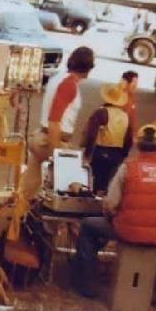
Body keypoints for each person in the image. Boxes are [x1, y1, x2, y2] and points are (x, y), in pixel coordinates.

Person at [71, 125, 156, 299]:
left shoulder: (128, 168)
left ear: (137, 144)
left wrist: (111, 216)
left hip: (129, 231)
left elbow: (110, 204)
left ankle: (87, 284)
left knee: (88, 226)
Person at [21, 46, 95, 200]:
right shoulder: (69, 85)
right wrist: (57, 154)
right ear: (88, 67)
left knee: (27, 188)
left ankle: (13, 218)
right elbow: (54, 121)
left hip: (41, 136)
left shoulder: (57, 78)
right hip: (54, 139)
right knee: (68, 190)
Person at [83, 84, 132, 193]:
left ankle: (92, 204)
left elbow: (91, 134)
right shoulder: (125, 116)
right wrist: (123, 155)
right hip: (117, 154)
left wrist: (87, 153)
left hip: (101, 150)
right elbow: (128, 139)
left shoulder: (101, 112)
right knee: (107, 182)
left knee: (94, 180)